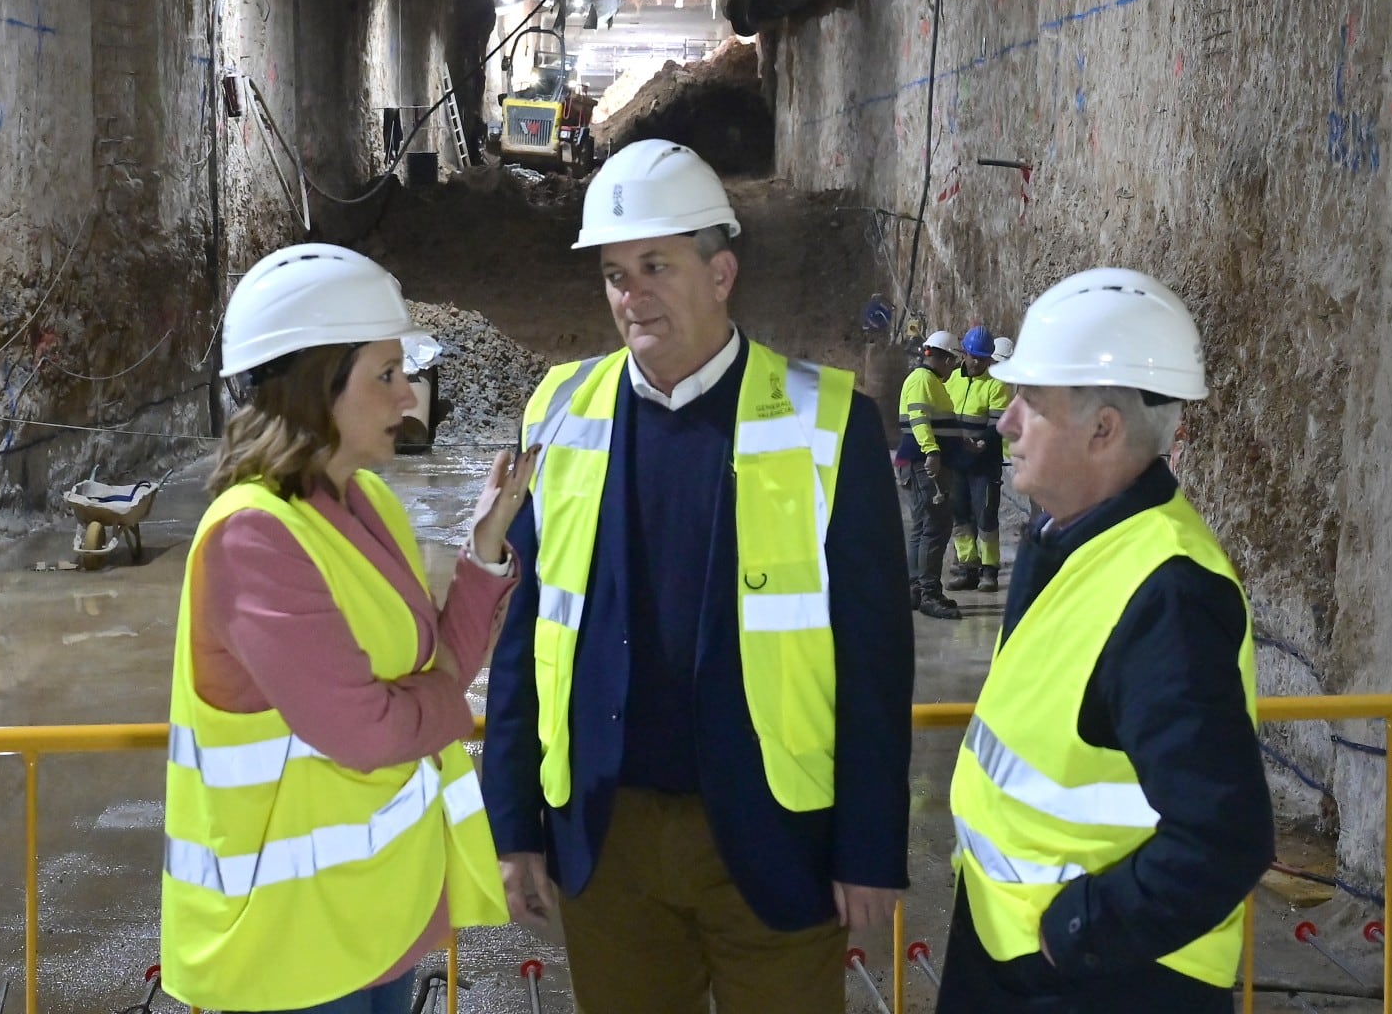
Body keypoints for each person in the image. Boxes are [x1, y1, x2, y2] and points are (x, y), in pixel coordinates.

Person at [481, 139, 914, 1014]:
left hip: (775, 833)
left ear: (721, 274)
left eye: (655, 265)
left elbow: (875, 659)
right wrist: (513, 823)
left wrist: (869, 846)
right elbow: (531, 629)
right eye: (613, 273)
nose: (630, 294)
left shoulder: (830, 422)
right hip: (608, 835)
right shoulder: (560, 410)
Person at [161, 243, 538, 1014]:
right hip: (285, 946)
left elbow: (440, 664)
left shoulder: (371, 507)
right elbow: (365, 730)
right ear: (313, 385)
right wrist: (442, 714)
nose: (411, 400)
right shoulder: (253, 538)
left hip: (373, 922)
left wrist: (483, 551)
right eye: (387, 376)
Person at [937, 268, 1273, 1014]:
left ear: (1103, 429)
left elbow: (1224, 840)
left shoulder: (1168, 594)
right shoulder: (1063, 538)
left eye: (1031, 402)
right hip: (1013, 954)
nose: (1005, 421)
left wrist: (1076, 931)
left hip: (1103, 978)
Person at [897, 329, 963, 618]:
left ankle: (915, 590)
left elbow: (935, 421)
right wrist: (932, 452)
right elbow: (920, 419)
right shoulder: (923, 380)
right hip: (925, 465)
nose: (953, 368)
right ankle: (929, 593)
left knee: (922, 528)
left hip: (917, 462)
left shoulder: (925, 380)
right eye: (952, 362)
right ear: (945, 358)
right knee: (935, 528)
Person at [943, 325, 1011, 594]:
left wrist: (982, 442)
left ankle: (989, 569)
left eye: (983, 358)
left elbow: (998, 424)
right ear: (965, 354)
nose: (977, 362)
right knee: (959, 514)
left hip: (984, 463)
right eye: (974, 356)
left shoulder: (996, 384)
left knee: (985, 515)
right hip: (956, 461)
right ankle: (966, 566)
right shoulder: (951, 380)